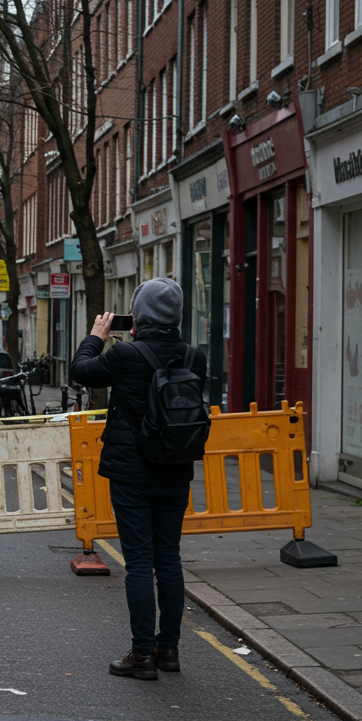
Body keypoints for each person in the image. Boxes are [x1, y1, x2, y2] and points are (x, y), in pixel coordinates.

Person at [69, 277, 207, 681]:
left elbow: (82, 372)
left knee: (139, 563)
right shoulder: (193, 357)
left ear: (139, 315)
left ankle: (142, 654)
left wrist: (96, 336)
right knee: (169, 559)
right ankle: (169, 650)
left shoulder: (126, 355)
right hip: (176, 468)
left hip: (132, 473)